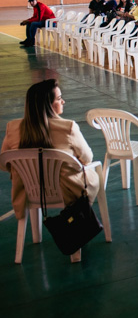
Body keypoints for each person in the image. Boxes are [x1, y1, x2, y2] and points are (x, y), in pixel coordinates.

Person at [1, 79, 100, 233]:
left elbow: (3, 164)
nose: (63, 101)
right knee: (93, 174)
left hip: (29, 190)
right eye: (59, 98)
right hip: (66, 191)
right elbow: (87, 158)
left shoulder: (13, 128)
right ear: (48, 104)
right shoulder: (68, 128)